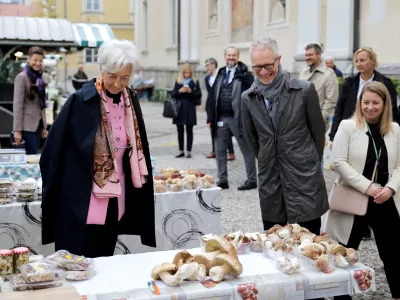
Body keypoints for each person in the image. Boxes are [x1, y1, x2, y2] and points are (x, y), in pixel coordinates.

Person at [40, 39, 156, 258]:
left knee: (105, 257)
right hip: (81, 200)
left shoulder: (130, 99)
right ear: (101, 69)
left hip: (115, 194)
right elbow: (51, 152)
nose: (117, 84)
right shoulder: (80, 101)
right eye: (112, 76)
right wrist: (62, 189)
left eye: (124, 78)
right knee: (76, 260)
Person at [241, 37, 328, 235]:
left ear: (279, 60)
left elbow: (318, 134)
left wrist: (307, 160)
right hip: (270, 176)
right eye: (257, 67)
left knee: (309, 240)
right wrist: (267, 157)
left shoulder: (304, 90)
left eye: (268, 65)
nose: (263, 72)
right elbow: (252, 139)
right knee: (275, 242)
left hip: (303, 176)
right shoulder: (248, 98)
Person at [322, 82, 400, 300]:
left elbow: (399, 165)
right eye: (366, 102)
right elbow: (338, 162)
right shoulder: (348, 127)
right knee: (343, 252)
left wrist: (391, 188)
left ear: (385, 104)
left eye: (376, 102)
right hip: (353, 198)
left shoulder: (395, 130)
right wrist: (368, 187)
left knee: (393, 252)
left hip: (385, 198)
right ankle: (341, 296)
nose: (370, 107)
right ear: (360, 103)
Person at [208, 46, 257, 190]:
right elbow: (212, 97)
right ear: (225, 57)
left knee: (246, 150)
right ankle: (222, 179)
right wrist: (210, 118)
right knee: (220, 150)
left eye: (233, 55)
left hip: (239, 119)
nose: (231, 58)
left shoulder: (246, 74)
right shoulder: (220, 73)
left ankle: (252, 179)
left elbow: (254, 96)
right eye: (228, 55)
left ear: (238, 57)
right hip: (221, 118)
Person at [330, 47, 399, 142]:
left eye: (362, 60)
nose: (358, 64)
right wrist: (333, 136)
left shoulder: (385, 83)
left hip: (378, 134)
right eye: (356, 61)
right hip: (351, 133)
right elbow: (339, 110)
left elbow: (392, 111)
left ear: (373, 61)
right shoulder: (349, 83)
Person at [13, 46, 48, 154]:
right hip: (26, 127)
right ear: (28, 60)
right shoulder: (22, 77)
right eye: (35, 60)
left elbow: (42, 104)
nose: (38, 63)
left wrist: (44, 126)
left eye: (40, 61)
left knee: (35, 157)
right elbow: (17, 105)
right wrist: (17, 130)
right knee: (30, 158)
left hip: (37, 125)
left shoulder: (41, 78)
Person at [298, 43, 339, 130]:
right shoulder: (302, 72)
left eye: (310, 55)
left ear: (319, 55)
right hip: (301, 124)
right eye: (306, 55)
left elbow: (331, 102)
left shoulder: (329, 74)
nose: (307, 57)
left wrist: (318, 120)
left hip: (319, 125)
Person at [204, 58, 235, 160]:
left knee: (226, 129)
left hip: (221, 105)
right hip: (211, 105)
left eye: (208, 65)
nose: (207, 67)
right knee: (212, 128)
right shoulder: (207, 78)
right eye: (206, 65)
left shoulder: (221, 75)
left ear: (213, 65)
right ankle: (214, 150)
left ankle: (231, 152)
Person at [171, 63, 202, 158]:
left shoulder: (194, 81)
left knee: (189, 130)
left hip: (190, 107)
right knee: (180, 130)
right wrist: (180, 91)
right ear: (182, 72)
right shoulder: (178, 81)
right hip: (179, 108)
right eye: (185, 72)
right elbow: (173, 94)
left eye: (189, 72)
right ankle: (181, 150)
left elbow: (199, 95)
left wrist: (190, 91)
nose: (187, 74)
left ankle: (188, 150)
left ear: (191, 73)